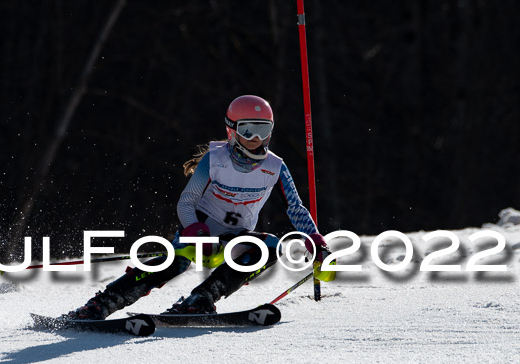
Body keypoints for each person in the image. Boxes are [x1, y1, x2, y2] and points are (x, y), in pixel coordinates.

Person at [67, 95, 328, 319]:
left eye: (263, 129)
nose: (255, 138)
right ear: (232, 130)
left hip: (234, 240)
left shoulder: (276, 167)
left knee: (271, 246)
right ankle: (101, 304)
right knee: (175, 263)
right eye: (248, 130)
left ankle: (200, 300)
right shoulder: (215, 160)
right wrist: (196, 231)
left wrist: (316, 240)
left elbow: (296, 209)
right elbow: (186, 202)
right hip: (200, 236)